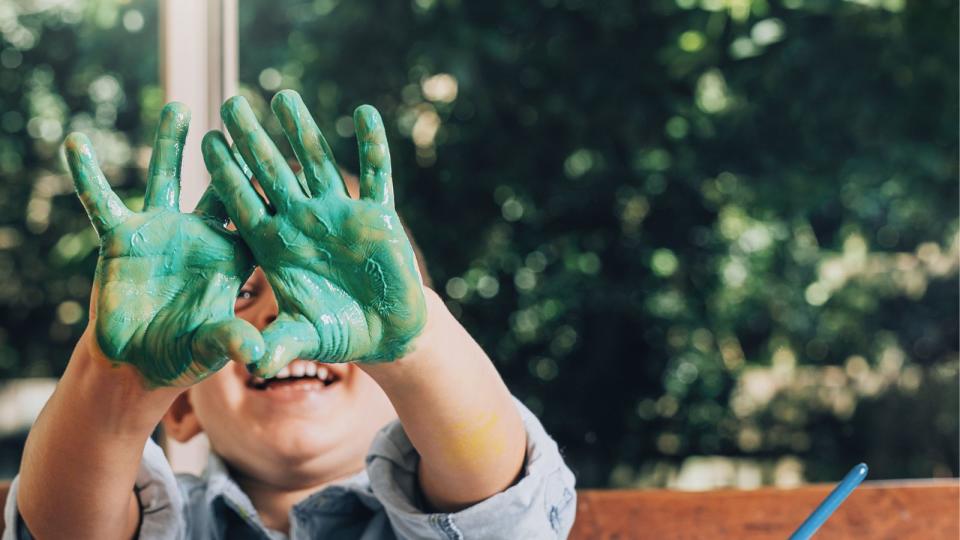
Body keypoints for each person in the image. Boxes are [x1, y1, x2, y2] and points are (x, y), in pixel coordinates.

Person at [4, 90, 576, 539]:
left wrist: (416, 351)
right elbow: (67, 530)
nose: (285, 315)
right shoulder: (165, 520)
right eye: (242, 296)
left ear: (404, 394)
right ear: (180, 406)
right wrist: (116, 386)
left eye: (335, 292)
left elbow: (501, 511)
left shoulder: (453, 503)